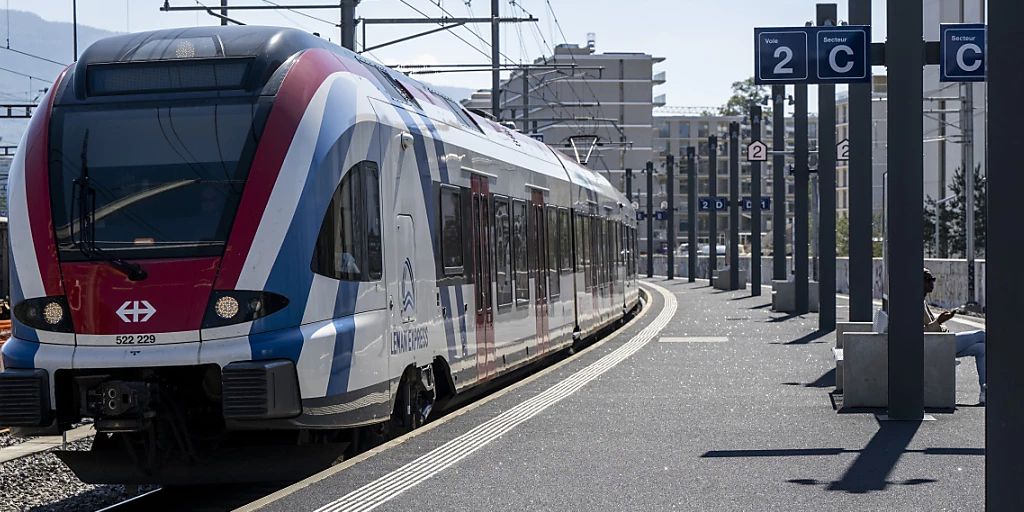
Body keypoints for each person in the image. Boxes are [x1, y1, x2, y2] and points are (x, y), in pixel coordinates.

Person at [923, 268, 986, 405]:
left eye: (933, 279)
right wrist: (940, 321)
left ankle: (984, 392)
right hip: (935, 345)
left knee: (981, 349)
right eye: (928, 280)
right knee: (981, 335)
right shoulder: (913, 304)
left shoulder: (922, 301)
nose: (932, 283)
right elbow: (920, 332)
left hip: (942, 340)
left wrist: (942, 323)